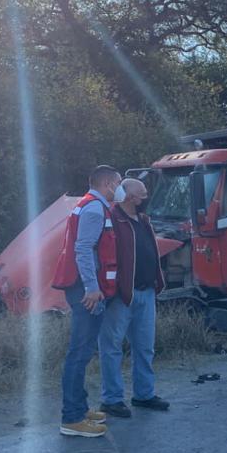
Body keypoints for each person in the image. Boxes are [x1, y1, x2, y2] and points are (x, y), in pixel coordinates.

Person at [51, 165, 123, 438]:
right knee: (79, 353)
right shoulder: (95, 209)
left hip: (83, 286)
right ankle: (71, 419)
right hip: (85, 289)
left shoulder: (89, 205)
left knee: (81, 352)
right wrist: (92, 288)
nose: (121, 186)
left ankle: (79, 410)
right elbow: (83, 249)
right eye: (118, 182)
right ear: (107, 184)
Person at [99, 178, 170, 418]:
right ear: (130, 198)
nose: (145, 199)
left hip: (146, 292)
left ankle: (144, 395)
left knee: (145, 347)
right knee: (111, 348)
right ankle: (111, 399)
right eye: (142, 195)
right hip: (121, 296)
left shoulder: (144, 221)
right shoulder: (112, 220)